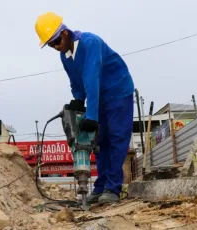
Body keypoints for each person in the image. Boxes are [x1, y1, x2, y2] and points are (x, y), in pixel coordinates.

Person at [35, 12, 135, 204]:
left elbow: (91, 78)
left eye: (56, 41)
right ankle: (100, 188)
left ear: (64, 33)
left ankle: (113, 188)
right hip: (98, 97)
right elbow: (76, 82)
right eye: (50, 44)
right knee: (98, 143)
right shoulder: (65, 57)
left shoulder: (91, 44)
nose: (55, 47)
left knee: (116, 138)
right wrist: (78, 100)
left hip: (118, 91)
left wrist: (91, 115)